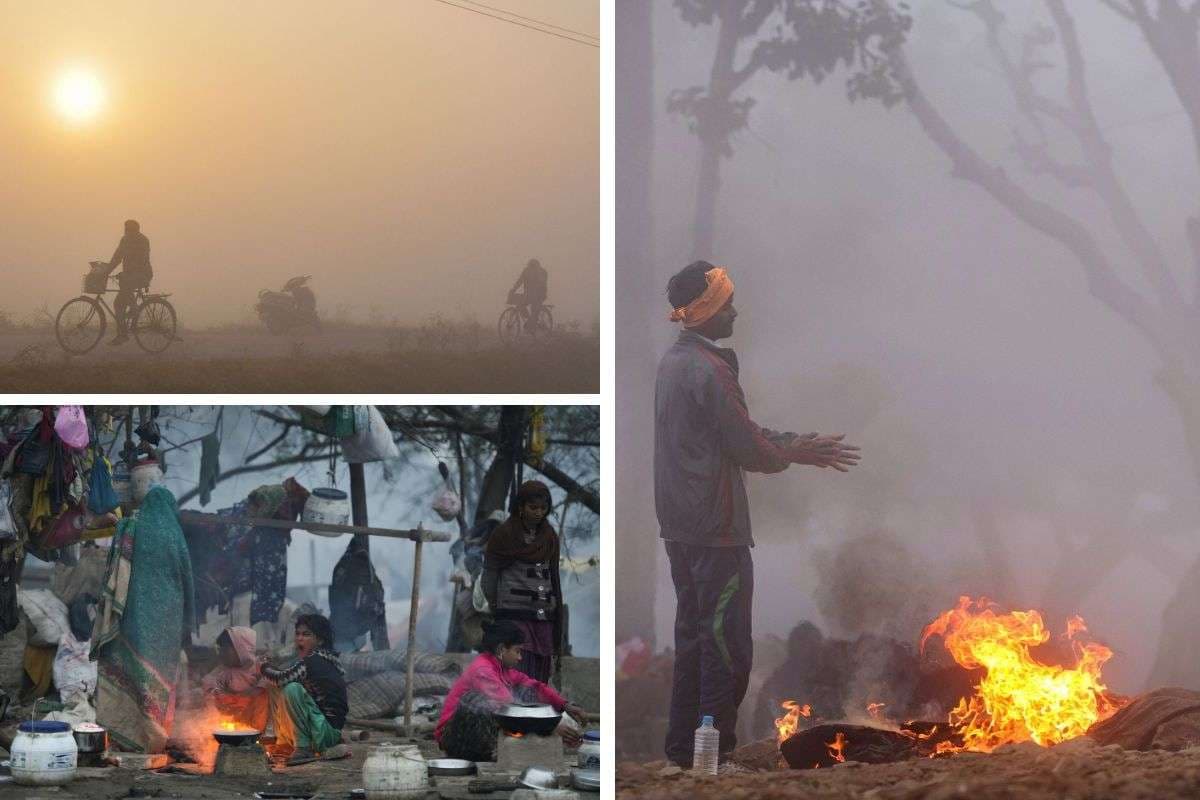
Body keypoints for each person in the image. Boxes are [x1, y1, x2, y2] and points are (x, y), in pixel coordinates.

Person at [655, 260, 861, 767]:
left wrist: (792, 443)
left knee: (694, 637)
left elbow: (731, 433)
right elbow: (747, 446)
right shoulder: (711, 368)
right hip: (716, 528)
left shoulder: (674, 361)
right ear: (707, 312)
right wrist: (793, 452)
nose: (736, 313)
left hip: (680, 525)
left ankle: (685, 753)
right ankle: (714, 754)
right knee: (726, 646)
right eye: (728, 305)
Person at [92, 485, 195, 754]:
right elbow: (188, 581)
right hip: (167, 625)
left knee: (127, 671)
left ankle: (124, 736)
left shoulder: (133, 528)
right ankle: (154, 737)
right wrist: (189, 620)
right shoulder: (175, 536)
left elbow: (118, 566)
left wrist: (119, 523)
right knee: (157, 679)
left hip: (132, 618)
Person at [436, 620, 587, 762]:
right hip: (453, 736)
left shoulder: (502, 669)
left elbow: (535, 686)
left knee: (526, 691)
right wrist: (552, 726)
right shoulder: (483, 670)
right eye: (517, 651)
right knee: (481, 702)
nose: (520, 657)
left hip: (473, 732)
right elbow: (511, 709)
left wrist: (565, 705)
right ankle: (480, 755)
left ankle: (502, 749)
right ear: (502, 649)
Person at [482, 481, 562, 683]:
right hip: (512, 613)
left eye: (543, 508)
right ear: (521, 506)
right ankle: (514, 709)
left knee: (539, 668)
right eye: (533, 507)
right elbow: (489, 574)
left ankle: (537, 710)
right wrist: (495, 605)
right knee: (515, 665)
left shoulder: (549, 537)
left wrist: (555, 608)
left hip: (542, 616)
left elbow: (554, 576)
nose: (538, 513)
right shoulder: (504, 534)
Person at [258, 612, 350, 766]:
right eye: (298, 634)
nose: (299, 638)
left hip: (326, 733)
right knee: (276, 687)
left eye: (306, 635)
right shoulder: (324, 658)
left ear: (319, 640)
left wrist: (263, 666)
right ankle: (285, 740)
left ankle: (304, 748)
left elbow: (280, 678)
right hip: (325, 730)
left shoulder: (313, 661)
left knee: (291, 689)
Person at [200, 626, 269, 732]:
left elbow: (268, 681)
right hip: (228, 717)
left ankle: (256, 733)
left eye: (226, 648)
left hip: (253, 717)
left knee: (263, 696)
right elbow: (208, 683)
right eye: (221, 648)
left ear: (240, 648)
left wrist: (249, 694)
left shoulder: (258, 666)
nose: (221, 653)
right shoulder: (223, 670)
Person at [100, 219, 153, 346]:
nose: (126, 232)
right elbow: (117, 257)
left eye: (128, 229)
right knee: (118, 304)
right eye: (126, 229)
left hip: (143, 275)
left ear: (135, 230)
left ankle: (134, 309)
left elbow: (143, 259)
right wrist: (106, 271)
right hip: (129, 277)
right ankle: (122, 335)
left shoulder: (142, 241)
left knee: (125, 286)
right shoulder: (125, 240)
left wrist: (128, 272)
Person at [507, 258, 548, 329]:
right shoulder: (526, 271)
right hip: (528, 294)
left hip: (539, 295)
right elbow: (519, 281)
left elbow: (542, 284)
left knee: (534, 309)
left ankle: (533, 324)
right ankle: (529, 320)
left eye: (533, 266)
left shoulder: (542, 272)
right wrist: (513, 290)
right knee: (520, 304)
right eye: (530, 266)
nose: (531, 268)